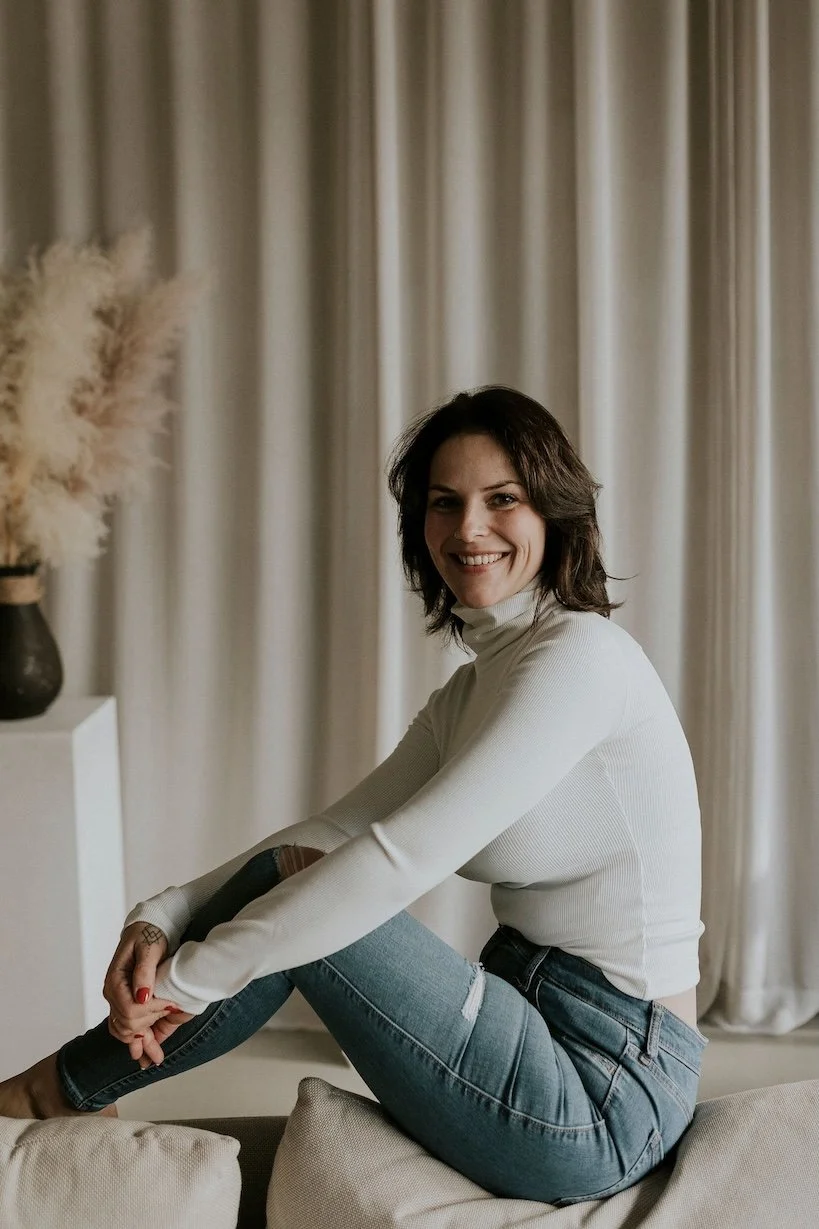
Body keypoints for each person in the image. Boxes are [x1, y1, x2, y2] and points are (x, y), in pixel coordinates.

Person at [0, 385, 707, 1206]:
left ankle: (58, 1088)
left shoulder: (580, 659)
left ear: (553, 512)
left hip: (607, 1091)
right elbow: (335, 827)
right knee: (301, 870)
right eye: (445, 503)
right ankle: (68, 1086)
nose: (469, 528)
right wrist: (162, 909)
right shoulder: (477, 686)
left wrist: (188, 982)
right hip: (532, 1018)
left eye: (501, 499)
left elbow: (397, 859)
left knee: (320, 898)